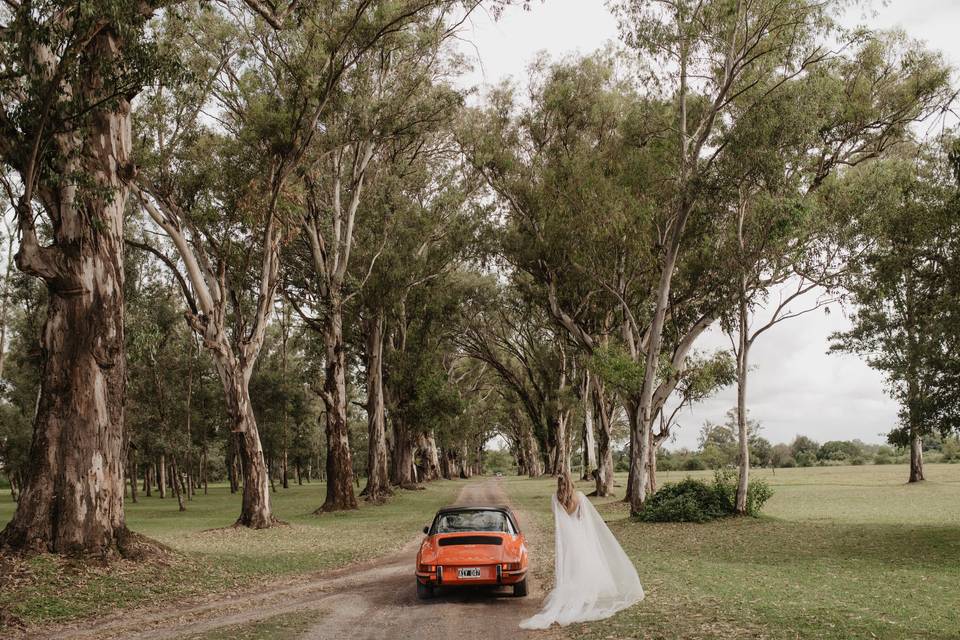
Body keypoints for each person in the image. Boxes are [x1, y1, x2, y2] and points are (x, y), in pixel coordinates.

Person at [519, 471, 644, 629]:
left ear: (559, 484)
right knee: (584, 563)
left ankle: (572, 594)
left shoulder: (555, 498)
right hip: (579, 534)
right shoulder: (579, 497)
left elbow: (557, 521)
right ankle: (585, 593)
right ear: (572, 482)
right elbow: (584, 519)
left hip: (566, 538)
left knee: (570, 565)